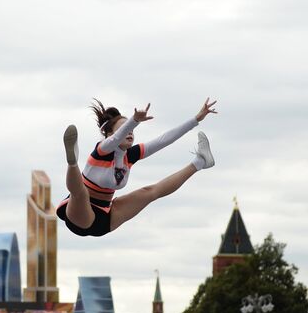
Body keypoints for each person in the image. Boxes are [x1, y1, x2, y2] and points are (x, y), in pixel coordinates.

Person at [57, 98, 217, 237]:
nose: (130, 132)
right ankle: (72, 162)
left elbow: (164, 140)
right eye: (124, 129)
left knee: (150, 192)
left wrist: (197, 119)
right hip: (80, 216)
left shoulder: (130, 155)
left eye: (132, 130)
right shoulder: (102, 150)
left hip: (106, 217)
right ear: (109, 134)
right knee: (81, 193)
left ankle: (200, 162)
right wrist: (133, 120)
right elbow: (115, 140)